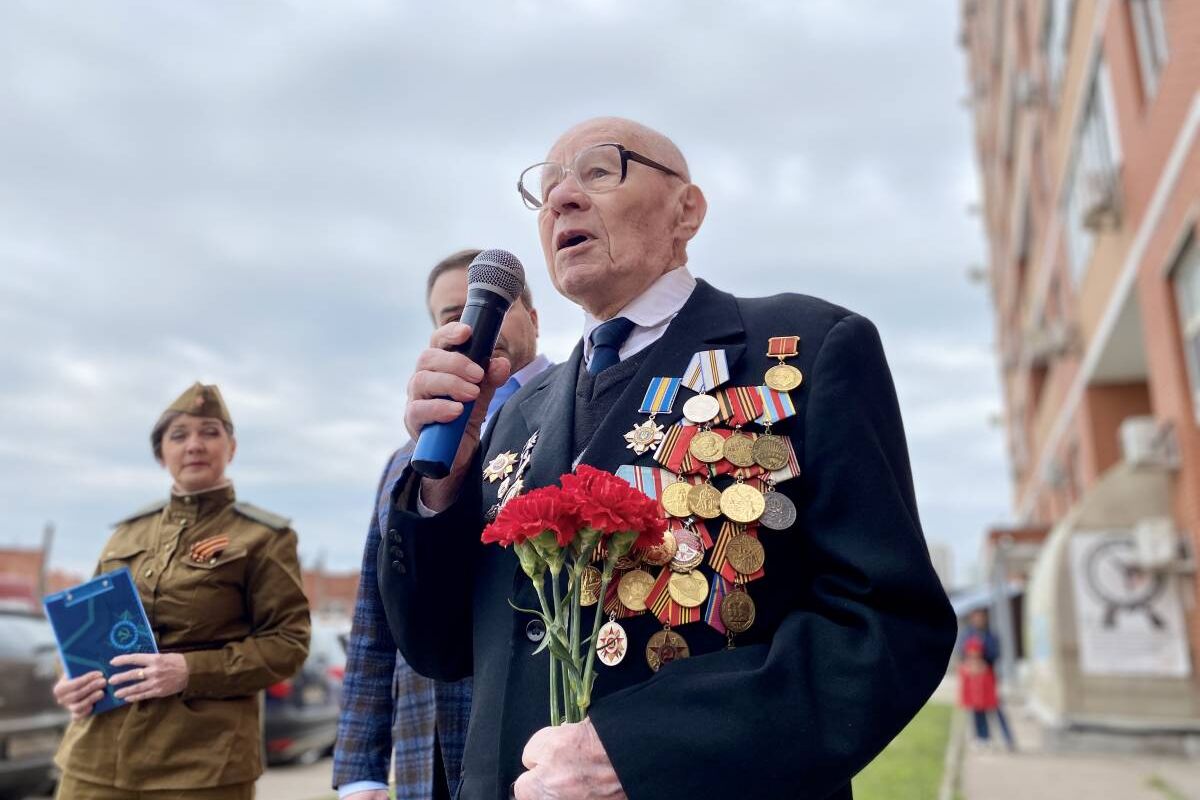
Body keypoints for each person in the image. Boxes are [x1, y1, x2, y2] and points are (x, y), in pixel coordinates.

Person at [380, 117, 957, 799]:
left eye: (598, 170)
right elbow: (442, 647)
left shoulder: (803, 347)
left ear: (688, 210)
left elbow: (884, 625)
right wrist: (438, 489)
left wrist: (644, 754)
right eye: (548, 186)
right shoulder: (513, 417)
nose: (563, 197)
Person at [334, 249, 550, 800]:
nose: (471, 326)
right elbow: (373, 620)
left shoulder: (578, 414)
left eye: (491, 310)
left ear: (533, 316)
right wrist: (359, 771)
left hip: (538, 737)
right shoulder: (410, 458)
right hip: (428, 735)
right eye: (450, 315)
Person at [50, 382, 311, 799]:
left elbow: (288, 644)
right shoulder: (125, 534)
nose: (194, 445)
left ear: (232, 447)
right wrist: (69, 678)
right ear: (161, 454)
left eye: (210, 432)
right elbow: (83, 628)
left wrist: (189, 671)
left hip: (202, 765)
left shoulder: (263, 536)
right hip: (95, 758)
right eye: (179, 435)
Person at [959, 608, 1015, 751]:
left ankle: (1007, 738)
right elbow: (961, 653)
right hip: (973, 678)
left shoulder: (990, 636)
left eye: (981, 617)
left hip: (987, 677)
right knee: (977, 709)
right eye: (976, 617)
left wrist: (982, 656)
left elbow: (995, 653)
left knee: (995, 706)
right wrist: (970, 661)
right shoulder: (967, 635)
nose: (979, 619)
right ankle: (983, 737)